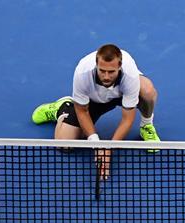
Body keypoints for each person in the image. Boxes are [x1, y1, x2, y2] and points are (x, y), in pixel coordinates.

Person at [31, 43, 160, 171]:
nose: (106, 76)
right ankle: (62, 107)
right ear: (96, 65)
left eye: (111, 72)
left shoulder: (129, 75)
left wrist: (110, 148)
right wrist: (96, 143)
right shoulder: (83, 73)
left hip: (120, 94)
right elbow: (82, 111)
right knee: (65, 143)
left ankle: (146, 126)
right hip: (94, 100)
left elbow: (128, 118)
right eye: (102, 71)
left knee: (147, 91)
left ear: (119, 66)